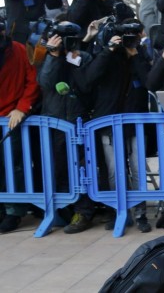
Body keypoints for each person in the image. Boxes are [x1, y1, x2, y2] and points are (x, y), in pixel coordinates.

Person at [77, 18, 153, 233]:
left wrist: (135, 54)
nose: (129, 39)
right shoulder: (106, 54)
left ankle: (141, 214)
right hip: (108, 120)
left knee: (137, 169)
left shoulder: (140, 54)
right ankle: (118, 211)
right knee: (113, 170)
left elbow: (149, 81)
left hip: (135, 120)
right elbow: (87, 79)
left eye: (134, 35)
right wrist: (109, 50)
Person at [37, 21, 98, 234]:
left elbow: (87, 85)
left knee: (82, 169)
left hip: (78, 121)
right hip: (55, 122)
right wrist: (54, 55)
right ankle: (63, 211)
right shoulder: (47, 56)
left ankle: (84, 212)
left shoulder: (84, 57)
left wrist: (75, 57)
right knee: (58, 168)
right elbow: (45, 81)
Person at [0, 18, 40, 233]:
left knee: (13, 165)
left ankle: (14, 211)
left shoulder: (17, 50)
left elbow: (31, 81)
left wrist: (22, 108)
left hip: (11, 117)